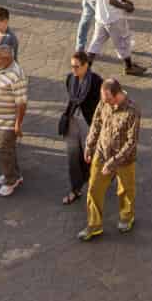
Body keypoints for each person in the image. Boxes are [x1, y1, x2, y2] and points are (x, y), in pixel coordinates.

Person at [79, 78, 140, 241]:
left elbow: (131, 143)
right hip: (102, 152)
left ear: (117, 95)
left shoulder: (132, 111)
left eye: (107, 99)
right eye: (103, 99)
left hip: (123, 159)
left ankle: (127, 217)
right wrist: (89, 145)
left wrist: (112, 163)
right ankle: (94, 225)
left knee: (126, 190)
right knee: (93, 188)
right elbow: (96, 123)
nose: (104, 102)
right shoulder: (104, 101)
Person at [0, 42, 28, 196]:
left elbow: (21, 104)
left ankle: (10, 180)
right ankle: (15, 174)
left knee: (2, 149)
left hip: (7, 121)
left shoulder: (17, 75)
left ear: (8, 59)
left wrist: (17, 125)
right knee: (8, 149)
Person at [59, 50, 102, 205]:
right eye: (72, 66)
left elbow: (101, 106)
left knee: (89, 155)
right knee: (72, 156)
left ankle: (97, 182)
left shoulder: (97, 82)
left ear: (86, 65)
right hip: (73, 121)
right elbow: (72, 100)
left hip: (89, 123)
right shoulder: (70, 79)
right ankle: (75, 188)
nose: (74, 70)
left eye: (77, 67)